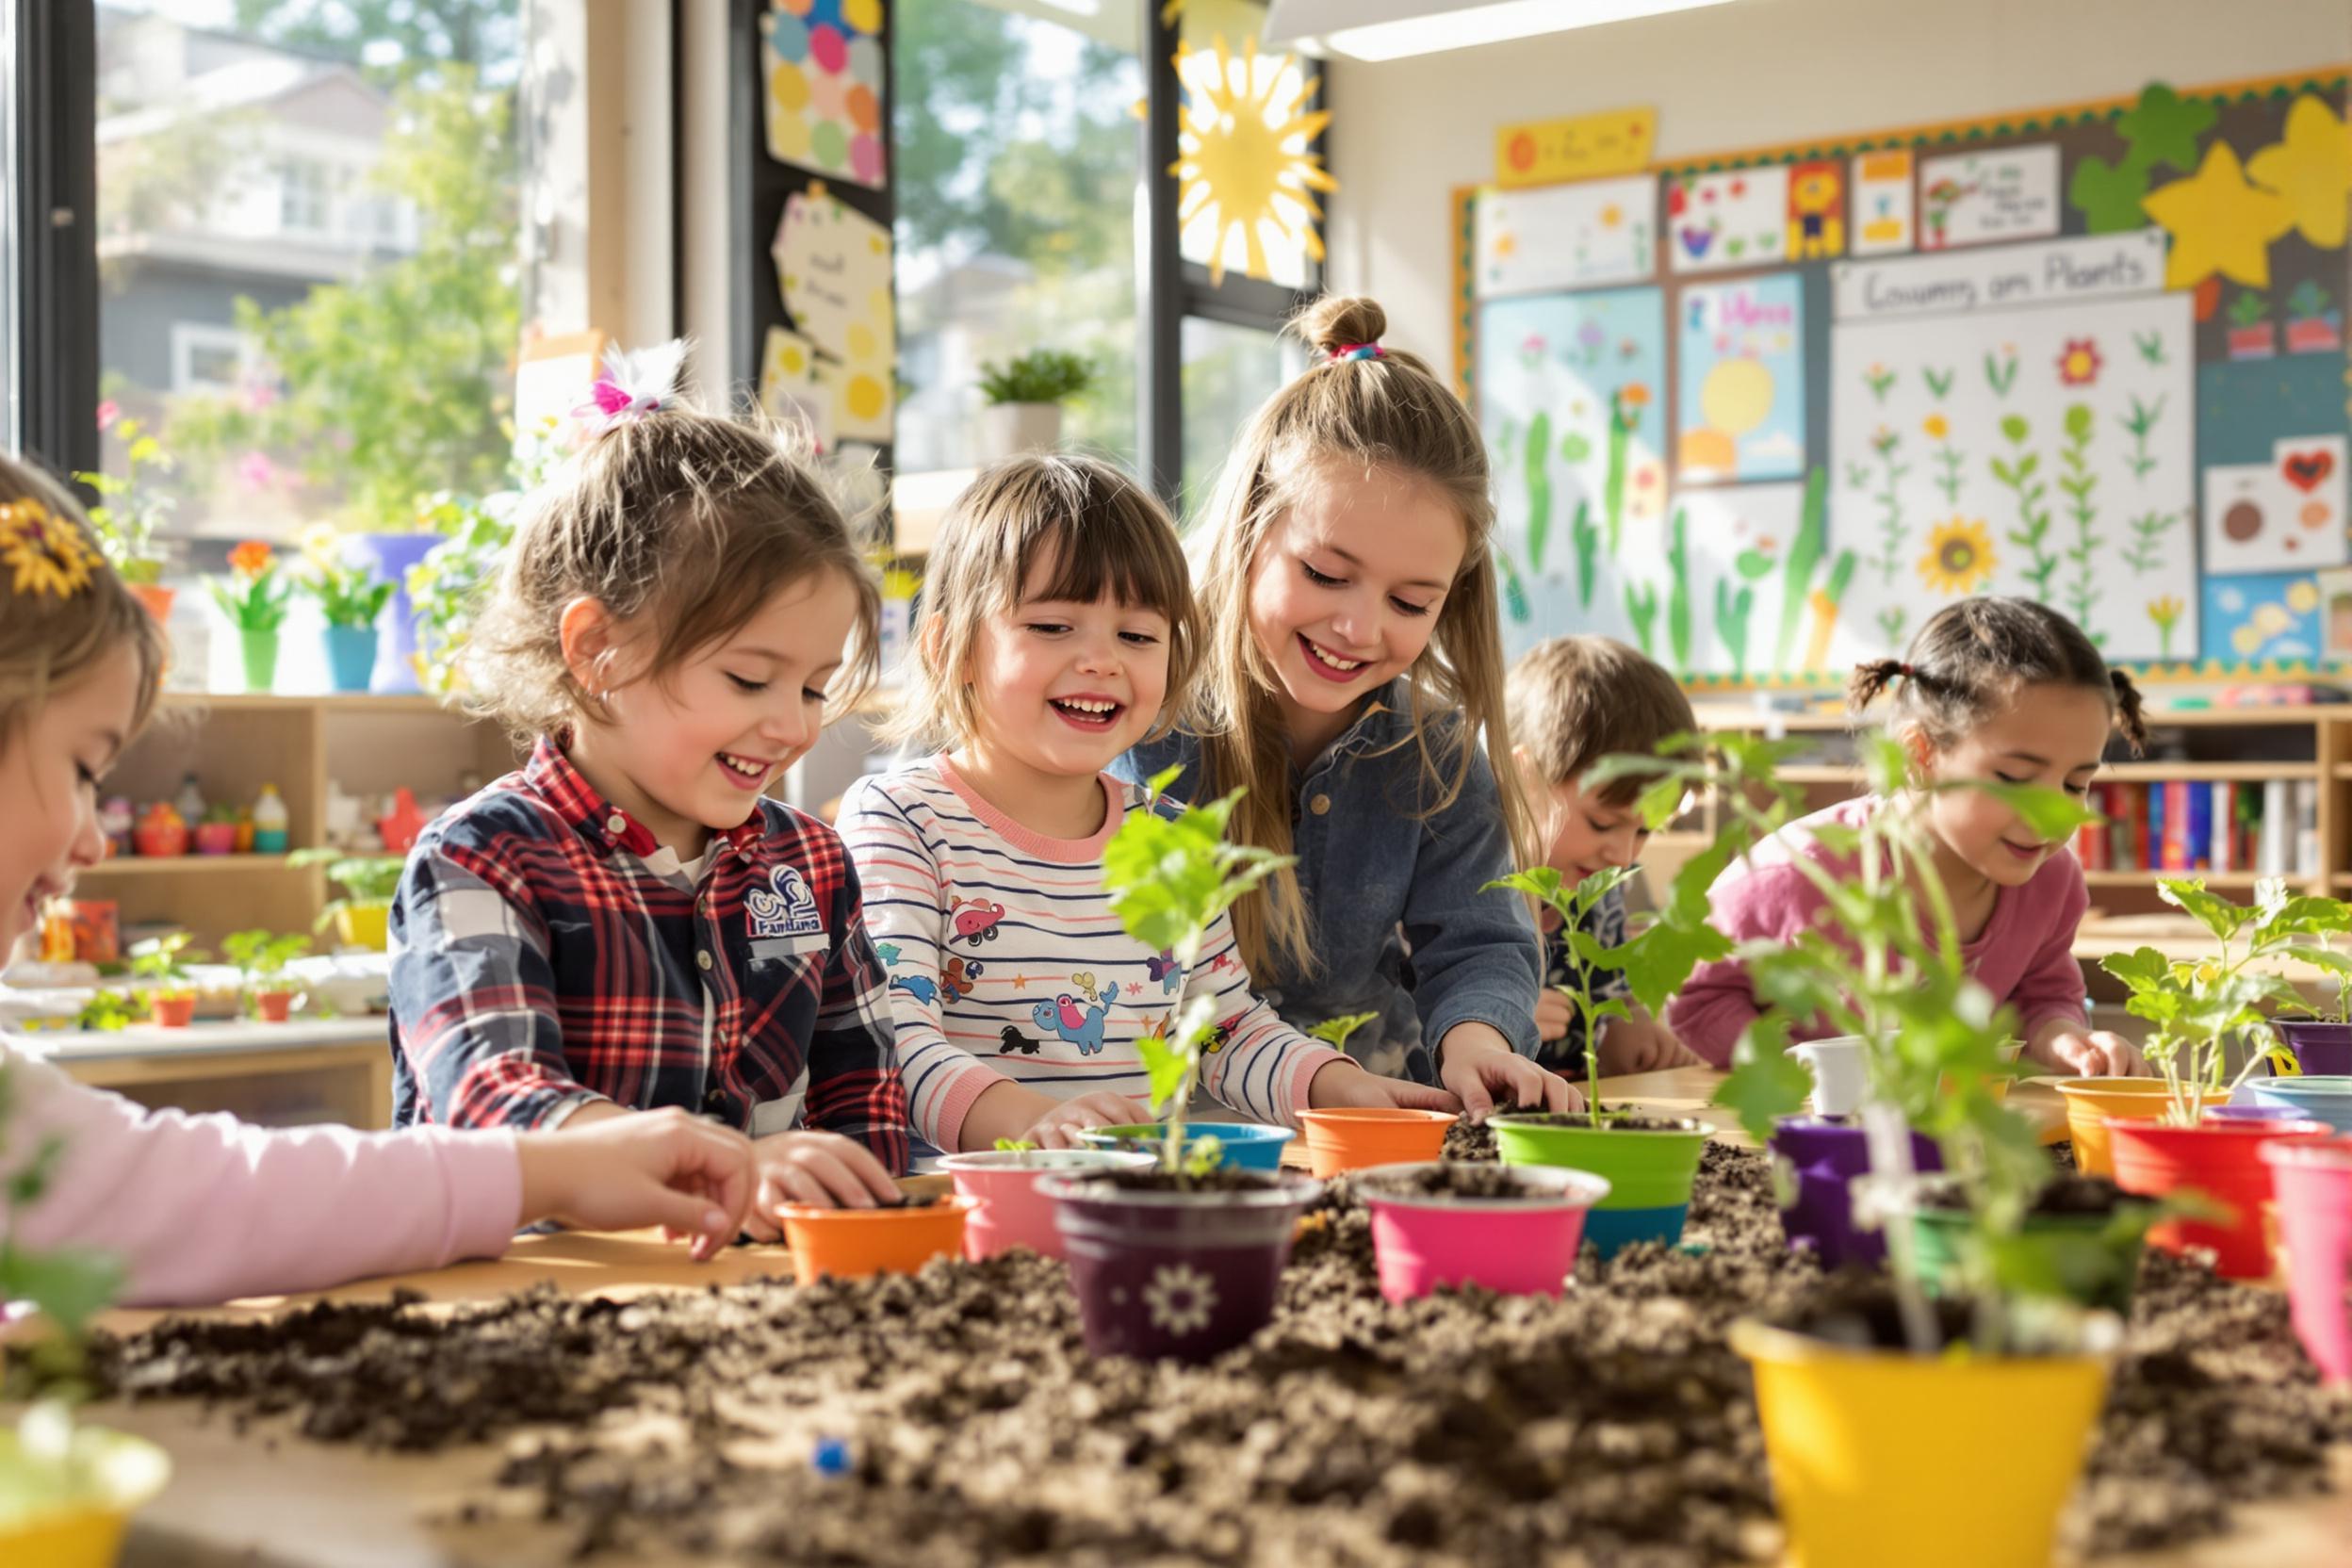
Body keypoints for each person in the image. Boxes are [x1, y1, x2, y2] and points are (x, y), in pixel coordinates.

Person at [0, 457, 760, 1307]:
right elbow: (193, 1200)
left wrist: (561, 1167)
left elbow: (199, 1196)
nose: (90, 840)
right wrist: (556, 1166)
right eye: (80, 769)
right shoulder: (484, 849)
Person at [389, 381, 911, 1232]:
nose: (790, 725)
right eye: (749, 678)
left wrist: (854, 1204)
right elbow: (495, 1102)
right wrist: (729, 1170)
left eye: (815, 688)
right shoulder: (483, 857)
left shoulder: (812, 863)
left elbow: (865, 1093)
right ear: (598, 650)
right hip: (531, 1303)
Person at [839, 455, 1457, 1154]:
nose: (1102, 660)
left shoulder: (1170, 842)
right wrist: (1025, 1121)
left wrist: (1338, 1087)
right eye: (1052, 627)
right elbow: (893, 1036)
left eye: (1136, 636)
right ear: (951, 648)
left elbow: (1227, 1028)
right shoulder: (901, 820)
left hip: (1133, 1204)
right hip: (968, 1214)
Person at [1119, 294, 1572, 1119]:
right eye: (1326, 575)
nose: (1358, 628)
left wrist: (1478, 1041)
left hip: (1372, 1117)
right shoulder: (1136, 721)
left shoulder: (1435, 755)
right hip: (1164, 1124)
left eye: (1410, 602)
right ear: (1248, 531)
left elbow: (1482, 943)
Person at [1667, 597, 2152, 1076]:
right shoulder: (1794, 872)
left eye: (2075, 785)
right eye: (2015, 778)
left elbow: (2043, 996)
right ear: (1920, 755)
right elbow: (1693, 997)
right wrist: (1783, 1066)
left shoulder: (2052, 882)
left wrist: (2066, 1039)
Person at [1504, 635, 1705, 1075]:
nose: (1623, 855)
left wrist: (1627, 1033)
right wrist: (1487, 1017)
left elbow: (1613, 1009)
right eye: (1602, 822)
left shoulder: (1599, 891)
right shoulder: (1457, 885)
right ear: (1523, 778)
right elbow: (1394, 1041)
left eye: (1646, 831)